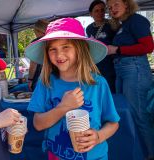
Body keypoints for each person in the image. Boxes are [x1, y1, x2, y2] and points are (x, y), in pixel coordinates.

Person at [25, 18, 120, 160]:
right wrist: (63, 107)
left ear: (80, 49)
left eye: (66, 47)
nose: (59, 55)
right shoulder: (45, 82)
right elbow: (38, 124)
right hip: (56, 155)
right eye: (53, 49)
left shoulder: (98, 83)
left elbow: (113, 123)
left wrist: (99, 136)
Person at [106, 0, 154, 159]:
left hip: (135, 70)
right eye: (110, 7)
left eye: (116, 4)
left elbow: (148, 47)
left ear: (127, 4)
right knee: (128, 113)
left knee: (139, 115)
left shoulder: (136, 20)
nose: (112, 9)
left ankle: (149, 154)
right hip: (122, 70)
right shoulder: (121, 25)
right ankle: (139, 152)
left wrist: (117, 49)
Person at [86, 0, 116, 93]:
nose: (100, 13)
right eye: (96, 11)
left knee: (110, 89)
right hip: (95, 64)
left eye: (102, 10)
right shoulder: (89, 28)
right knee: (97, 90)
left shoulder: (112, 24)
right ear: (91, 13)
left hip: (110, 64)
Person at [28, 19, 49, 91]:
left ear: (38, 30)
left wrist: (30, 79)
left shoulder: (36, 43)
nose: (35, 33)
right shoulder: (53, 40)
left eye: (35, 31)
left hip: (39, 78)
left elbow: (33, 65)